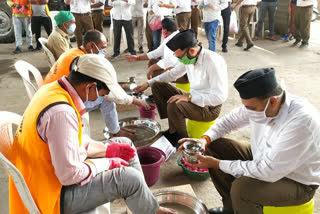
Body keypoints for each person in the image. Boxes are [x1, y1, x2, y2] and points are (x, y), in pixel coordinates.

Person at [9, 54, 176, 214]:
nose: (101, 99)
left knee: (124, 143)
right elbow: (69, 175)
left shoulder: (53, 90)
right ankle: (147, 206)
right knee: (129, 178)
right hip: (52, 195)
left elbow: (72, 142)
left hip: (48, 175)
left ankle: (143, 203)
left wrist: (109, 151)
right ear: (90, 87)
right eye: (102, 95)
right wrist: (107, 163)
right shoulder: (62, 113)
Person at [179, 68, 320, 214]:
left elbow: (268, 171)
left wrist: (218, 164)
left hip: (295, 180)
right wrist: (204, 139)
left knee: (242, 189)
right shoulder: (261, 103)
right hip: (263, 157)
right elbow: (229, 121)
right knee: (214, 145)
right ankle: (231, 208)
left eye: (250, 108)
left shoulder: (301, 122)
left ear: (272, 101)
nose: (248, 111)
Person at [44, 30, 148, 141]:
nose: (104, 52)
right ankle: (115, 132)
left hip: (51, 91)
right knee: (105, 98)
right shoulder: (81, 62)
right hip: (59, 100)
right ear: (92, 46)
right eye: (103, 48)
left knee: (104, 95)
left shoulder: (77, 53)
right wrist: (133, 100)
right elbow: (108, 94)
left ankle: (115, 131)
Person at [134, 29, 228, 146]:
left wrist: (189, 98)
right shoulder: (189, 57)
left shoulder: (213, 62)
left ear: (192, 50)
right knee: (158, 86)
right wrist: (148, 83)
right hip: (194, 97)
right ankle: (173, 131)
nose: (179, 60)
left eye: (179, 57)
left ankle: (181, 139)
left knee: (175, 104)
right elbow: (173, 73)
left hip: (210, 107)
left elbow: (220, 97)